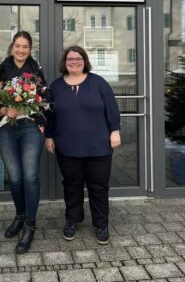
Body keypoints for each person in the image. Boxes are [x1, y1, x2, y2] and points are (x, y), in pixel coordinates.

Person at [45, 46, 121, 245]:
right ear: (65, 62)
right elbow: (49, 116)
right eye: (70, 59)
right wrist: (49, 136)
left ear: (84, 61)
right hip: (67, 147)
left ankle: (101, 224)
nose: (74, 62)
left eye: (78, 59)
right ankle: (72, 220)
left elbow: (111, 107)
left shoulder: (99, 83)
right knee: (72, 186)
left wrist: (115, 130)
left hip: (99, 146)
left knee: (99, 187)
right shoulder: (55, 87)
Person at [0, 31, 48, 254]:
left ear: (30, 49)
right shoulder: (1, 70)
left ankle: (30, 225)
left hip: (31, 126)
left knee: (30, 176)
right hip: (6, 128)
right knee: (14, 177)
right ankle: (20, 216)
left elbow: (45, 98)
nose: (21, 50)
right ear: (12, 46)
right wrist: (4, 109)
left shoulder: (36, 70)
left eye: (26, 47)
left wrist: (29, 105)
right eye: (18, 46)